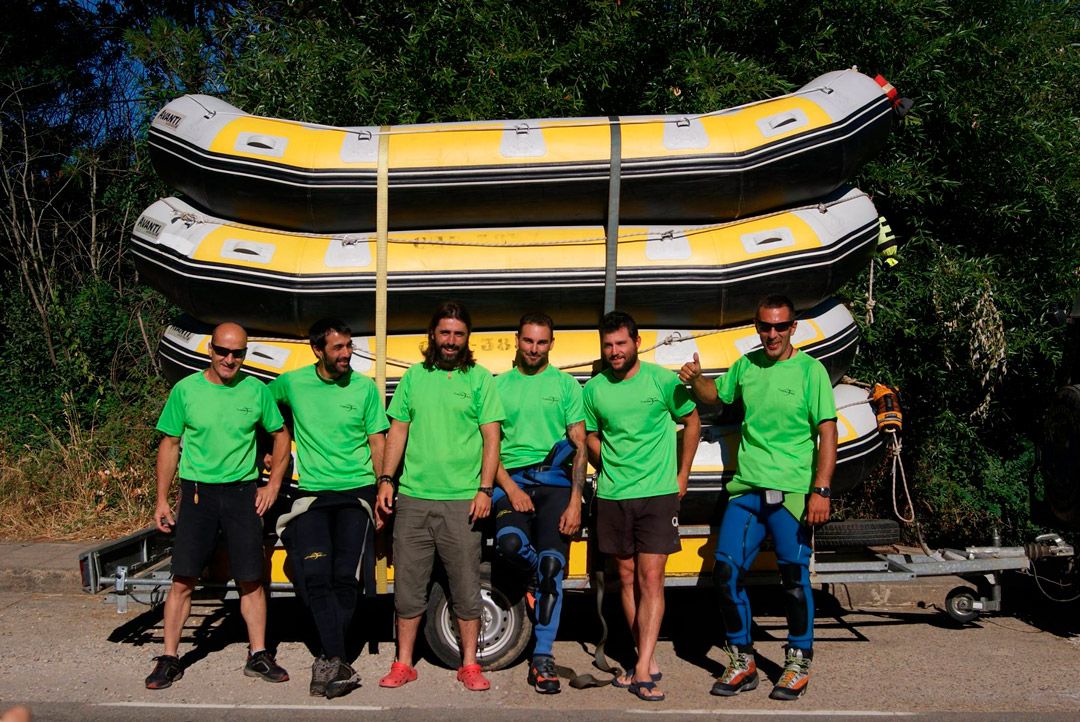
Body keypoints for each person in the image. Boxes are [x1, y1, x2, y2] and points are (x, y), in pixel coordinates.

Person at [678, 294, 837, 701]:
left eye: (779, 326)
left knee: (793, 582)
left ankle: (798, 659)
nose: (771, 334)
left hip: (794, 493)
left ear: (793, 328)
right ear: (757, 327)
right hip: (747, 489)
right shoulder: (747, 365)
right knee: (727, 574)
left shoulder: (810, 371)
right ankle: (742, 660)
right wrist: (697, 381)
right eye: (765, 326)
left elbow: (828, 432)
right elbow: (718, 398)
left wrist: (821, 489)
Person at [146, 322, 291, 690]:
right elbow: (170, 444)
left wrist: (272, 485)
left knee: (251, 578)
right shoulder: (186, 390)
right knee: (183, 579)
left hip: (242, 493)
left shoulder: (256, 390)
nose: (230, 359)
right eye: (223, 351)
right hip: (198, 494)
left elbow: (280, 435)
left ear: (245, 354)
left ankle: (258, 654)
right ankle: (169, 657)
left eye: (237, 353)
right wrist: (162, 499)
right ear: (210, 350)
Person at [375, 301, 504, 692]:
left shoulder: (480, 379)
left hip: (462, 500)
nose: (451, 341)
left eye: (458, 334)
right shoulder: (413, 377)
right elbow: (397, 431)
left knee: (466, 587)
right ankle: (403, 663)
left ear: (467, 339)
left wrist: (485, 489)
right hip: (413, 499)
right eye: (445, 333)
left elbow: (491, 438)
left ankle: (469, 664)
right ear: (433, 334)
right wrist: (386, 479)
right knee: (409, 587)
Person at [584, 311, 701, 703]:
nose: (614, 351)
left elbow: (692, 421)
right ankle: (643, 659)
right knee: (627, 575)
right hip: (614, 495)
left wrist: (682, 475)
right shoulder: (595, 388)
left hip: (657, 493)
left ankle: (643, 668)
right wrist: (609, 462)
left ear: (635, 342)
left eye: (621, 343)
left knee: (652, 578)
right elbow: (590, 435)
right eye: (608, 345)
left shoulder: (662, 380)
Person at [269, 318, 389, 698]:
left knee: (343, 578)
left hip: (356, 493)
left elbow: (377, 440)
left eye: (349, 346)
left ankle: (329, 658)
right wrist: (271, 450)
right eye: (338, 348)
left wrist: (384, 487)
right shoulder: (292, 383)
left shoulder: (364, 388)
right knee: (315, 574)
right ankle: (336, 659)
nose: (346, 354)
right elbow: (260, 408)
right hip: (312, 496)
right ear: (317, 350)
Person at [492, 312, 587, 694]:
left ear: (551, 343)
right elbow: (489, 447)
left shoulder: (566, 386)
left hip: (555, 483)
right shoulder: (497, 386)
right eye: (528, 341)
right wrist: (510, 489)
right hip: (510, 481)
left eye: (542, 342)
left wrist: (576, 501)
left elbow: (580, 446)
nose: (534, 349)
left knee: (552, 565)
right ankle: (534, 576)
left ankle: (542, 656)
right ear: (517, 340)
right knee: (510, 545)